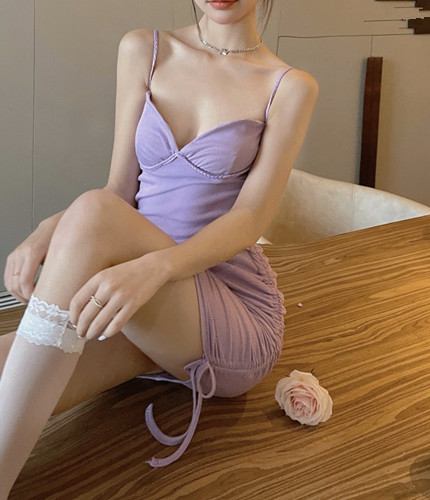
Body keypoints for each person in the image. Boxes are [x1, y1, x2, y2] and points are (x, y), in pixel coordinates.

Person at [0, 0, 318, 495]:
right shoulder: (143, 50)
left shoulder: (289, 86)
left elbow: (249, 219)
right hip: (145, 297)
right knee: (12, 375)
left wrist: (158, 268)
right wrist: (49, 230)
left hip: (229, 310)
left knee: (93, 215)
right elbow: (118, 190)